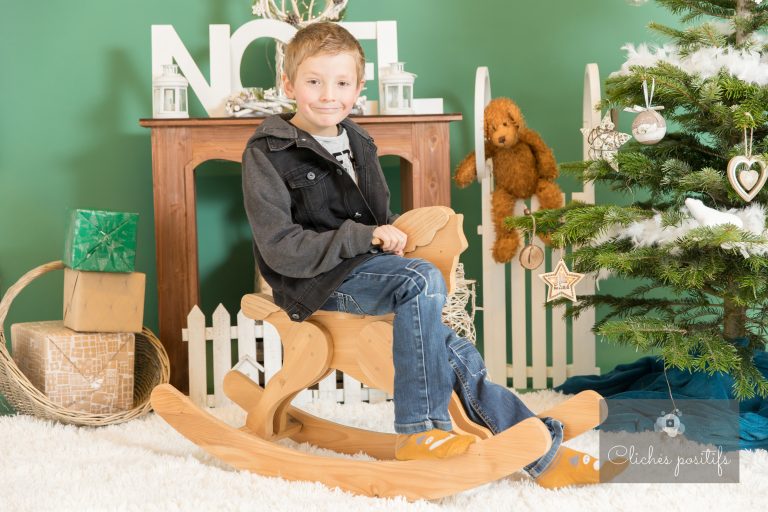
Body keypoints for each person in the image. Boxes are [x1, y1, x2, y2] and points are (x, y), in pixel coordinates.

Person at [242, 21, 619, 488]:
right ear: (289, 84)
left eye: (341, 83)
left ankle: (546, 455)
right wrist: (366, 237)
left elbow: (378, 216)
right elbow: (281, 249)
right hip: (315, 285)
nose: (328, 95)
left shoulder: (358, 141)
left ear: (359, 88)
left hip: (366, 273)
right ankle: (420, 429)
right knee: (419, 279)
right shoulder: (268, 152)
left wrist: (393, 234)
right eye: (314, 81)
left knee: (455, 352)